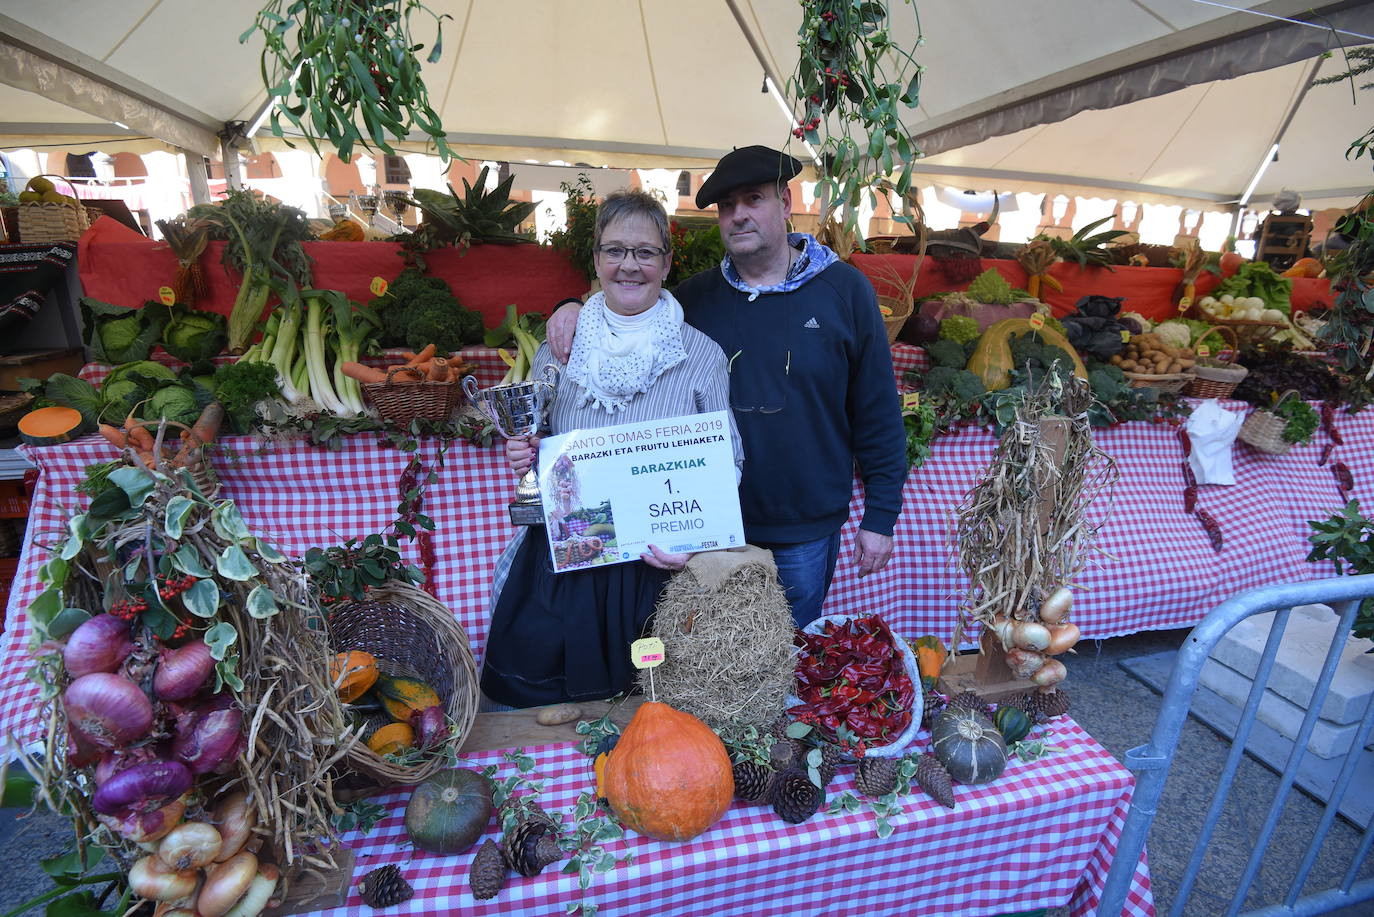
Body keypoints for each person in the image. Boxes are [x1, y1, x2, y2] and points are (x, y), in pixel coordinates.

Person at [547, 146, 906, 627]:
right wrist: (572, 304)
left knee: (789, 655)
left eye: (753, 199)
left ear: (785, 201)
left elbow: (878, 409)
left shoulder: (845, 290)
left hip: (803, 526)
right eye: (726, 206)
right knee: (706, 662)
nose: (738, 215)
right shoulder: (694, 300)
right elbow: (627, 295)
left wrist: (880, 516)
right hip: (698, 532)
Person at [480, 189, 743, 709]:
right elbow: (538, 432)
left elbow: (728, 459)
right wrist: (525, 449)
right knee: (553, 709)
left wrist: (695, 539)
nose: (630, 265)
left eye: (645, 252)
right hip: (575, 555)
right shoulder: (562, 342)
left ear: (667, 262)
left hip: (656, 562)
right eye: (616, 250)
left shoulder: (700, 353)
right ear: (596, 259)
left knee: (648, 707)